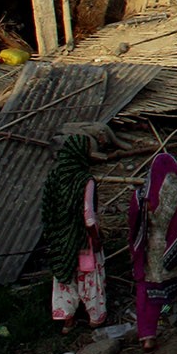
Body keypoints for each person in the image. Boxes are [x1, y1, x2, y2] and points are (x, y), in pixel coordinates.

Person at [129, 151, 177, 350]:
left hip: (152, 251)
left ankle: (147, 337)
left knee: (147, 292)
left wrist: (137, 251)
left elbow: (134, 226)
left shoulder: (141, 195)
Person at [42, 134, 106, 332]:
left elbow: (47, 208)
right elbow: (88, 215)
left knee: (65, 277)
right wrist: (95, 238)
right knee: (89, 277)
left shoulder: (53, 177)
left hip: (60, 238)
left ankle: (67, 320)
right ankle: (95, 318)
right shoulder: (85, 180)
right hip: (81, 238)